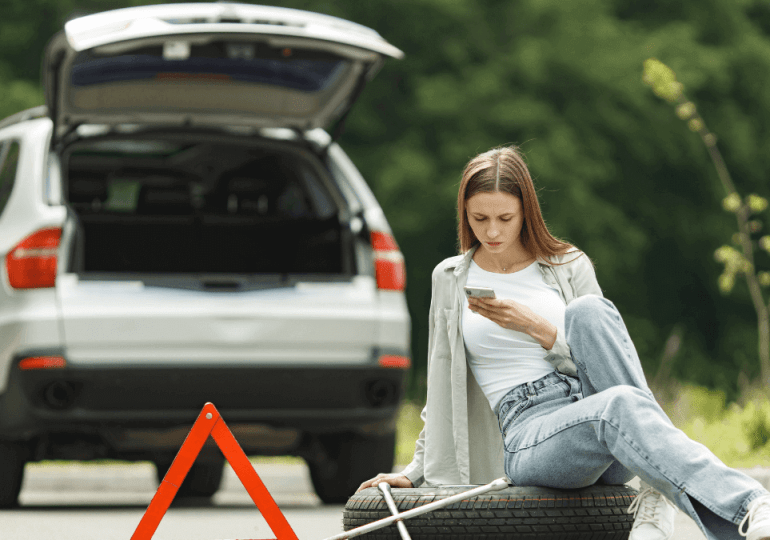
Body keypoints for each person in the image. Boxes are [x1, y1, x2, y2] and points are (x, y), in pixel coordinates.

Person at [357, 145, 770, 540]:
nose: (493, 230)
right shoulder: (449, 278)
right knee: (620, 404)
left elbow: (605, 355)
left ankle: (673, 490)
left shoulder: (569, 264)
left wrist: (542, 331)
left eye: (505, 217)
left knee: (590, 312)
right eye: (479, 218)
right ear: (465, 213)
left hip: (595, 404)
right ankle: (742, 502)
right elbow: (441, 380)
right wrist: (415, 468)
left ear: (526, 212)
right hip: (530, 432)